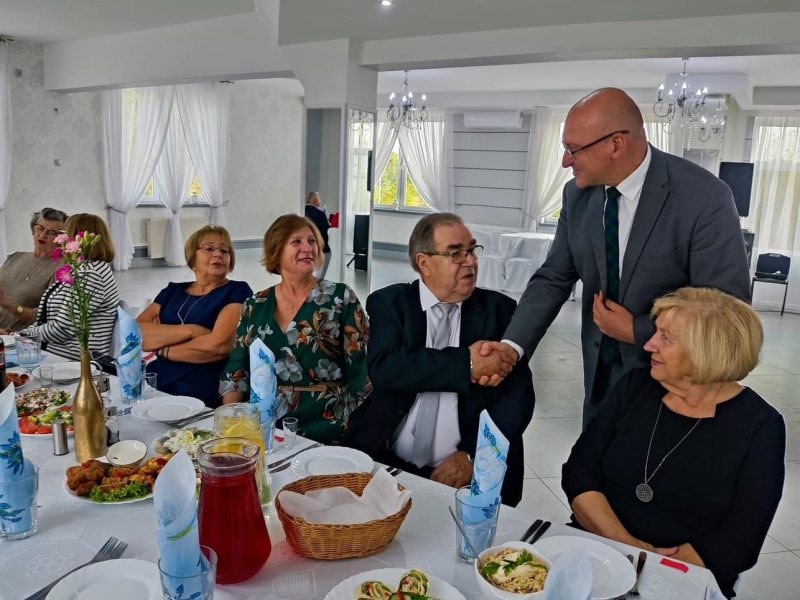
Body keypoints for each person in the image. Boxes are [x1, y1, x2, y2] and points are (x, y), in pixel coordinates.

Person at [480, 88, 752, 426]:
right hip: (599, 377)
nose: (566, 161)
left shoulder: (704, 197)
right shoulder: (577, 195)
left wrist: (638, 330)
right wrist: (512, 346)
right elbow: (554, 277)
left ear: (616, 144)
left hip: (673, 385)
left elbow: (727, 309)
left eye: (573, 149)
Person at [562, 287, 785, 599]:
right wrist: (627, 547)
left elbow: (740, 540)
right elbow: (579, 472)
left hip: (683, 575)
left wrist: (654, 566)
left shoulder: (760, 425)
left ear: (707, 351)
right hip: (597, 547)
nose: (649, 344)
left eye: (666, 337)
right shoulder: (634, 386)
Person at [345, 213, 535, 507]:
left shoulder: (500, 311)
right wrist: (467, 364)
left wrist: (473, 455)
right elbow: (386, 368)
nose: (470, 261)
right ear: (424, 263)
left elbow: (518, 399)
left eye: (472, 250)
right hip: (387, 457)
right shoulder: (391, 303)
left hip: (468, 467)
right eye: (455, 253)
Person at [219, 214, 370, 444]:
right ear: (276, 250)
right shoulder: (255, 304)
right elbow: (236, 372)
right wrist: (233, 424)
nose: (308, 248)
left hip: (331, 423)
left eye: (312, 241)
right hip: (268, 425)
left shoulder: (340, 298)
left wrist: (362, 429)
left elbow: (362, 369)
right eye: (296, 242)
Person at [137, 226, 253, 408]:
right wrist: (192, 331)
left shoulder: (237, 291)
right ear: (193, 257)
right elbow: (136, 334)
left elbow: (217, 347)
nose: (218, 254)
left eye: (224, 250)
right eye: (209, 248)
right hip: (154, 378)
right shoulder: (172, 291)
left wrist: (163, 348)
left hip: (201, 384)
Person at [18, 213, 119, 361]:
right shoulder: (85, 268)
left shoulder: (91, 274)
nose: (61, 240)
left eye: (64, 234)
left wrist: (21, 335)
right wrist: (24, 333)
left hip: (71, 359)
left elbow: (63, 328)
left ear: (78, 239)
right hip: (57, 353)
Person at [0, 208, 68, 332]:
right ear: (33, 229)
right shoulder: (15, 257)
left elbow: (49, 316)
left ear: (60, 239)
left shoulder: (62, 270)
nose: (43, 235)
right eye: (40, 228)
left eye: (52, 232)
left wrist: (9, 305)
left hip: (19, 338)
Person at [304, 191, 332, 279]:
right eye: (319, 199)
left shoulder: (301, 211)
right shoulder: (320, 214)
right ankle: (319, 281)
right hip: (320, 249)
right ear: (316, 200)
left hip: (305, 248)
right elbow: (325, 230)